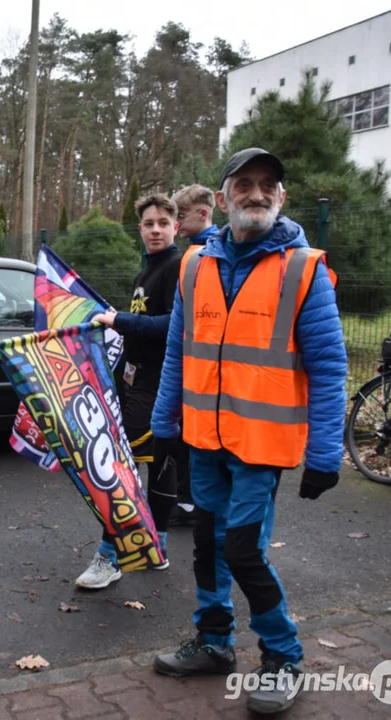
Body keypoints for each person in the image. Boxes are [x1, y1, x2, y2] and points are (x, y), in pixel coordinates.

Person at [150, 148, 346, 715]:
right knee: (208, 549)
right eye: (244, 185)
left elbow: (330, 368)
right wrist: (165, 426)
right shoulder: (194, 265)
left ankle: (283, 658)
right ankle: (213, 643)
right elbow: (177, 352)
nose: (256, 194)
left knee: (243, 551)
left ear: (281, 197)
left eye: (267, 186)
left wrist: (326, 453)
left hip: (261, 447)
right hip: (203, 441)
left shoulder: (304, 269)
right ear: (223, 197)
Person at [76, 193, 182, 589]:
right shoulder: (145, 274)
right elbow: (141, 324)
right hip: (136, 385)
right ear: (140, 229)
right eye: (149, 223)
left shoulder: (179, 267)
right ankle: (156, 548)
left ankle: (112, 556)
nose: (155, 229)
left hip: (161, 387)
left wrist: (120, 320)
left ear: (175, 226)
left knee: (121, 470)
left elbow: (176, 326)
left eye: (163, 223)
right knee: (156, 467)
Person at [166, 183, 223, 526]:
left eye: (180, 217)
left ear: (204, 213)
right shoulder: (193, 252)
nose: (176, 225)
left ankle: (191, 503)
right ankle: (189, 500)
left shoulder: (208, 253)